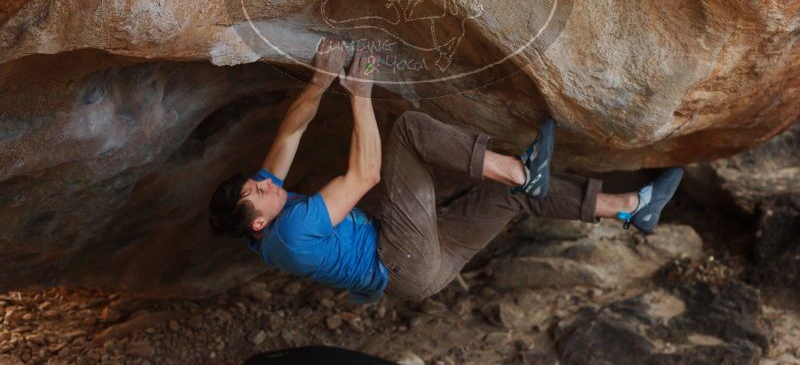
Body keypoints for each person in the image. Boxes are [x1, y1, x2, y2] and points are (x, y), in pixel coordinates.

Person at [208, 37, 684, 302]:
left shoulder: (261, 219)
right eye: (258, 191)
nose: (267, 184)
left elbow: (288, 135)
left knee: (507, 198)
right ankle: (523, 172)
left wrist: (319, 80)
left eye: (256, 182)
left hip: (419, 268)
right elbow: (366, 174)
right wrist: (359, 92)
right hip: (399, 259)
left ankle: (630, 208)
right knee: (411, 131)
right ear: (257, 219)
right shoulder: (289, 231)